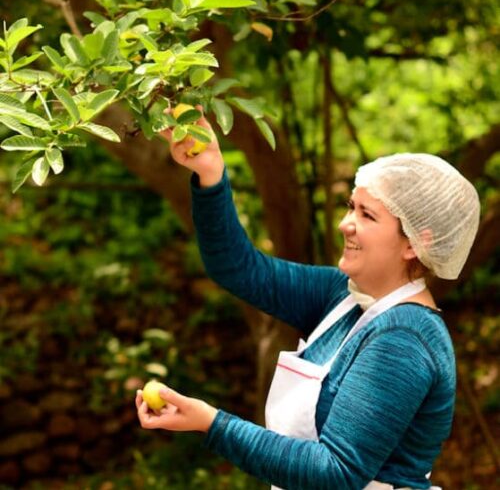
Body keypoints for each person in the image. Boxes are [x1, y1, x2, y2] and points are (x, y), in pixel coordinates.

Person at [135, 110, 481, 490]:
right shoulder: (343, 297)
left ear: (417, 243)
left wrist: (212, 423)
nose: (345, 223)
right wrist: (210, 173)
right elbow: (238, 269)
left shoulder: (404, 339)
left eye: (367, 215)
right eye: (352, 206)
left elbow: (335, 471)